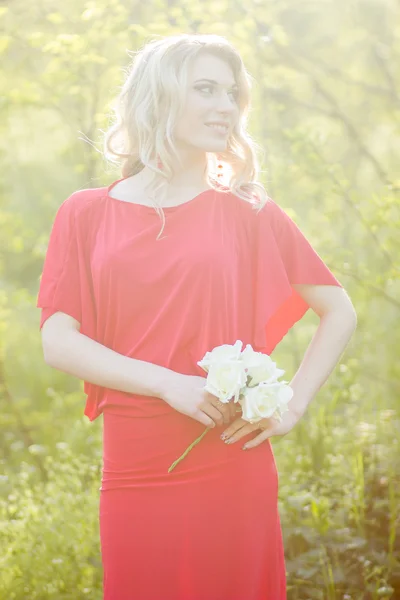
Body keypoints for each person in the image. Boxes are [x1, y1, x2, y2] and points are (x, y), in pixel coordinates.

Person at [37, 33, 357, 600]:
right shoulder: (86, 213)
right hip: (135, 465)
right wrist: (167, 385)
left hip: (231, 460)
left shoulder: (246, 208)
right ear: (158, 96)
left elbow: (337, 309)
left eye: (232, 93)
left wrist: (293, 405)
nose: (225, 107)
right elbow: (59, 342)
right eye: (205, 89)